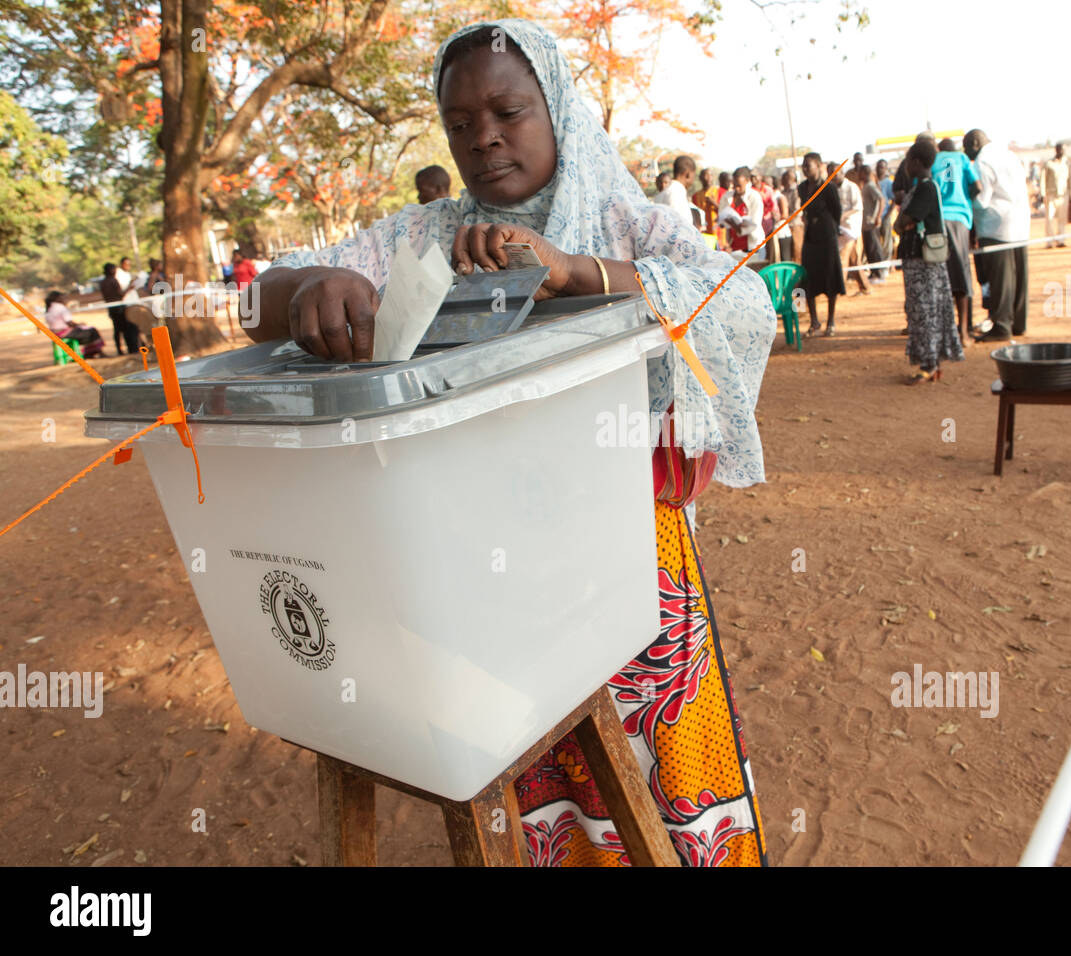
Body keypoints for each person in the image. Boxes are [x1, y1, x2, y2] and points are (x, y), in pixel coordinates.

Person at [248, 19, 771, 868]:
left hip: (634, 559)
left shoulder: (625, 223)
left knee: (660, 773)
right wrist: (318, 284)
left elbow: (741, 303)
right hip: (487, 569)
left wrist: (574, 271)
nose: (483, 137)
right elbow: (261, 296)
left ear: (557, 106)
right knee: (536, 764)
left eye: (508, 111)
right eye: (459, 124)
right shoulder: (420, 239)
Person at [895, 140, 963, 383]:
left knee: (926, 312)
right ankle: (929, 360)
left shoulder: (926, 189)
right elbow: (901, 223)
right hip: (917, 260)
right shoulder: (921, 188)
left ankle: (930, 363)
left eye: (907, 161)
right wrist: (903, 221)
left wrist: (904, 221)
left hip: (924, 262)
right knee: (921, 311)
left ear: (915, 162)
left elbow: (908, 219)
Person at [964, 129, 1030, 342]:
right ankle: (1018, 323)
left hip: (996, 226)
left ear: (975, 143)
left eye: (967, 148)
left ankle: (1001, 325)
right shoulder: (1008, 154)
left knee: (1001, 279)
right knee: (1019, 277)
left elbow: (982, 201)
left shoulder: (982, 161)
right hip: (1020, 223)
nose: (967, 153)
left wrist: (967, 202)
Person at [932, 138, 983, 342]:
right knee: (961, 272)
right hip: (960, 219)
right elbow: (977, 186)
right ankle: (963, 332)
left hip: (937, 220)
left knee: (940, 274)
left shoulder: (934, 160)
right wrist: (965, 198)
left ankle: (943, 331)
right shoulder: (962, 159)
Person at [797, 152, 844, 336]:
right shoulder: (801, 188)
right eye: (803, 165)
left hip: (827, 237)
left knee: (831, 277)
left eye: (808, 165)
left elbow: (837, 211)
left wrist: (829, 226)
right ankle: (813, 320)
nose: (805, 168)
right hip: (810, 237)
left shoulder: (828, 188)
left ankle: (831, 321)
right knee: (807, 279)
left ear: (818, 165)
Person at [834, 161, 868, 295]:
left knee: (842, 257)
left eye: (835, 173)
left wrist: (842, 216)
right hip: (840, 227)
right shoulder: (833, 188)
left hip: (851, 227)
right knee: (854, 259)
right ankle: (865, 287)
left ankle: (839, 289)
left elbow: (858, 207)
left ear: (842, 173)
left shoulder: (852, 187)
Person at [718, 166, 764, 254]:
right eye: (734, 185)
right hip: (733, 246)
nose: (736, 189)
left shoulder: (754, 197)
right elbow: (722, 220)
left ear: (747, 181)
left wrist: (736, 226)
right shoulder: (727, 196)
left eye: (739, 186)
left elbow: (755, 223)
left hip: (753, 245)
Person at [44, 291, 105, 358]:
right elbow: (69, 322)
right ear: (58, 298)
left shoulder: (49, 308)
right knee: (92, 331)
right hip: (64, 333)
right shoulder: (60, 307)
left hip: (55, 334)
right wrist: (79, 325)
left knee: (87, 331)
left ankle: (91, 352)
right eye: (63, 297)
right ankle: (97, 352)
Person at [99, 263, 139, 356]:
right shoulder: (113, 280)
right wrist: (129, 288)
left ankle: (120, 349)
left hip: (111, 308)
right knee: (126, 328)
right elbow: (120, 294)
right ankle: (131, 348)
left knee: (117, 329)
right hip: (119, 308)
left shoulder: (103, 282)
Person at [857, 166, 886, 285]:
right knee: (869, 248)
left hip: (871, 222)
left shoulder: (870, 186)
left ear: (864, 173)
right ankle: (874, 272)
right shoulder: (866, 186)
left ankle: (879, 273)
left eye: (860, 173)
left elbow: (881, 199)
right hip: (866, 223)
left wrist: (877, 216)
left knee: (874, 248)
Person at [1040, 142, 1070, 249]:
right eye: (1060, 149)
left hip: (1063, 194)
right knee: (1049, 218)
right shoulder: (1048, 164)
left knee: (1062, 219)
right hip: (1050, 194)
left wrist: (1070, 195)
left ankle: (1061, 240)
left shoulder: (1067, 163)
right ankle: (1049, 241)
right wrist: (1042, 193)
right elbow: (1043, 178)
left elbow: (1070, 179)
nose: (1062, 151)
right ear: (1056, 150)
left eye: (1063, 150)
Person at [661, 155, 696, 226]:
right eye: (694, 175)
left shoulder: (665, 192)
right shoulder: (676, 193)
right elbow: (677, 228)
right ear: (688, 174)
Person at [875, 158, 895, 279]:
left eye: (882, 167)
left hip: (885, 215)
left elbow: (894, 199)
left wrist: (888, 214)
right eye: (878, 166)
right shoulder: (873, 181)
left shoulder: (888, 183)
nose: (880, 169)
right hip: (874, 217)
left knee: (887, 242)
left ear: (886, 169)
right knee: (876, 242)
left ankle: (886, 266)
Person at [780, 169, 803, 263]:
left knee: (797, 250)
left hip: (795, 225)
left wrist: (786, 217)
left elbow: (797, 210)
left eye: (788, 177)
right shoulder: (782, 192)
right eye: (784, 177)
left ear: (793, 179)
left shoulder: (797, 191)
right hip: (784, 226)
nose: (785, 179)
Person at [691, 167, 718, 237]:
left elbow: (726, 213)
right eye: (706, 175)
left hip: (719, 235)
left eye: (710, 175)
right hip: (703, 235)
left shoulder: (721, 192)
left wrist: (714, 203)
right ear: (700, 178)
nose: (709, 178)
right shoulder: (695, 196)